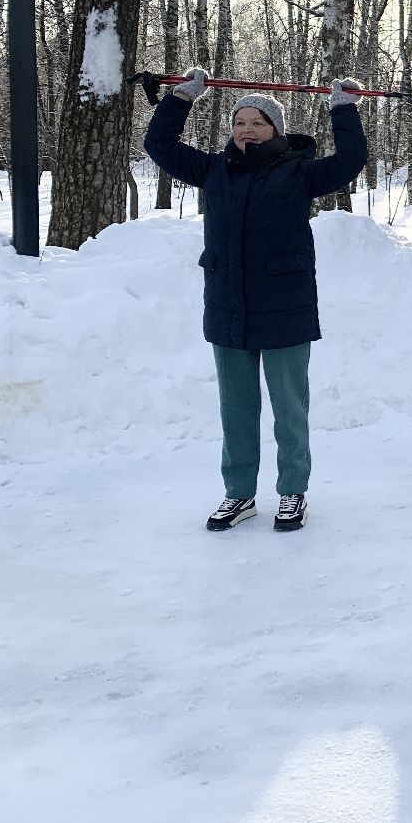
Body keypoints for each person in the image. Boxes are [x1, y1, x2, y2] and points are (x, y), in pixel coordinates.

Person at [143, 67, 368, 532]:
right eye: (239, 122)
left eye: (258, 122)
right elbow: (159, 147)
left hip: (284, 304)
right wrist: (182, 97)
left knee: (289, 406)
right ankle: (239, 493)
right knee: (237, 407)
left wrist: (343, 109)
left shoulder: (299, 173)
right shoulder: (213, 170)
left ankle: (292, 491)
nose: (247, 129)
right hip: (228, 304)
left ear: (276, 130)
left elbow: (350, 161)